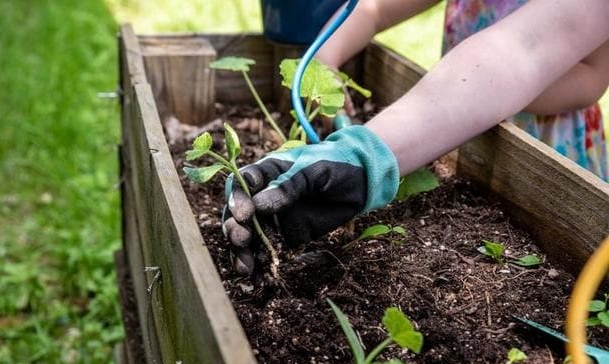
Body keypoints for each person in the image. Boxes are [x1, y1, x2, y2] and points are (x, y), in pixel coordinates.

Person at [222, 0, 609, 274]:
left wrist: (471, 90)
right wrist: (325, 61)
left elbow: (548, 61)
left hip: (546, 148)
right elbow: (373, 8)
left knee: (554, 242)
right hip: (451, 118)